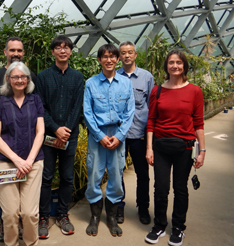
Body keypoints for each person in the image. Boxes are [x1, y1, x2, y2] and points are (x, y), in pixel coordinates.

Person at [145, 50, 206, 246]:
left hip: (185, 148)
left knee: (180, 188)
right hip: (161, 146)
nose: (175, 66)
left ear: (184, 66)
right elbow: (151, 121)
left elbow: (198, 123)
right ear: (166, 66)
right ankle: (159, 225)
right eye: (171, 62)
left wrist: (202, 151)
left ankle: (178, 227)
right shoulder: (158, 90)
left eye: (179, 62)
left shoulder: (195, 91)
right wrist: (149, 148)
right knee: (160, 188)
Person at [0, 36, 36, 242]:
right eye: (12, 50)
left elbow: (35, 107)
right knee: (6, 197)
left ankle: (23, 224)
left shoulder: (31, 76)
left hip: (28, 149)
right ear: (5, 52)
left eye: (19, 51)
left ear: (23, 53)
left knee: (26, 197)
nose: (16, 53)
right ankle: (4, 222)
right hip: (5, 148)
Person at [0, 61, 45, 246]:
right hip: (6, 163)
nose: (19, 80)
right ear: (8, 79)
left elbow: (40, 132)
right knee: (10, 213)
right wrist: (16, 160)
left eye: (23, 77)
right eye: (15, 77)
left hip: (33, 162)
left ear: (28, 79)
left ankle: (31, 243)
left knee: (29, 213)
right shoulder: (0, 102)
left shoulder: (35, 100)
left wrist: (28, 161)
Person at [83, 43, 135, 237]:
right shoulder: (91, 83)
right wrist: (100, 136)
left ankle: (112, 217)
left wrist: (120, 136)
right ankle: (95, 217)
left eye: (113, 56)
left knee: (115, 178)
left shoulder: (125, 83)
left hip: (118, 137)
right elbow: (87, 112)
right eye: (105, 56)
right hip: (97, 137)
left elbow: (130, 112)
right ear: (99, 60)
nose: (109, 60)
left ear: (117, 59)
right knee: (94, 176)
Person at [36, 36, 84, 239]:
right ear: (53, 52)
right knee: (46, 177)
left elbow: (77, 107)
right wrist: (56, 129)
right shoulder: (43, 77)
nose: (62, 51)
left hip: (70, 137)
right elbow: (40, 106)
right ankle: (43, 217)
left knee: (66, 177)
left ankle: (63, 215)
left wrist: (66, 132)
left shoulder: (78, 77)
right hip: (48, 136)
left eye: (66, 47)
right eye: (58, 47)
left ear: (71, 51)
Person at [116, 41, 154, 225]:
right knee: (117, 172)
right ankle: (119, 207)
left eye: (130, 52)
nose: (127, 56)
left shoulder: (146, 77)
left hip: (139, 134)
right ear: (119, 56)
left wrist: (150, 140)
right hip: (119, 135)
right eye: (123, 53)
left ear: (136, 54)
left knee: (143, 174)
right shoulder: (114, 76)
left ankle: (143, 208)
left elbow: (153, 107)